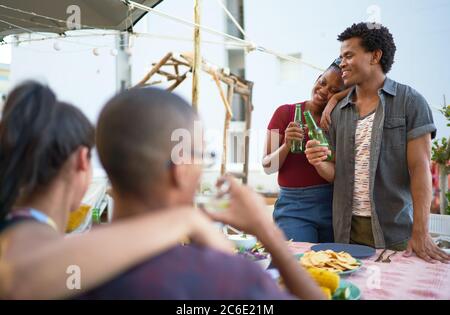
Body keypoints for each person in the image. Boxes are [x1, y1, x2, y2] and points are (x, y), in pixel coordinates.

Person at [77, 87, 325, 299]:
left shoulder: (63, 268)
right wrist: (267, 232)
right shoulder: (227, 278)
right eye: (203, 155)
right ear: (182, 168)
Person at [0, 81, 233, 299]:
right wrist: (184, 220)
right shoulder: (26, 243)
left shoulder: (28, 231)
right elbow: (18, 280)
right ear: (83, 159)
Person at [305, 22, 450, 263]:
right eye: (341, 56)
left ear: (375, 56)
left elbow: (419, 169)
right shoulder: (338, 111)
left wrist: (421, 232)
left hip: (395, 233)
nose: (342, 63)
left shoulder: (410, 102)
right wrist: (319, 162)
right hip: (345, 234)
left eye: (349, 55)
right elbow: (335, 174)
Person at [262, 60, 349, 242]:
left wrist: (318, 161)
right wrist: (287, 144)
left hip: (333, 206)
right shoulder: (285, 113)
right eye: (323, 82)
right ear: (317, 78)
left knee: (331, 266)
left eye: (334, 90)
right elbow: (268, 167)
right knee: (299, 264)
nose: (324, 91)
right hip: (294, 208)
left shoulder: (341, 121)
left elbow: (338, 174)